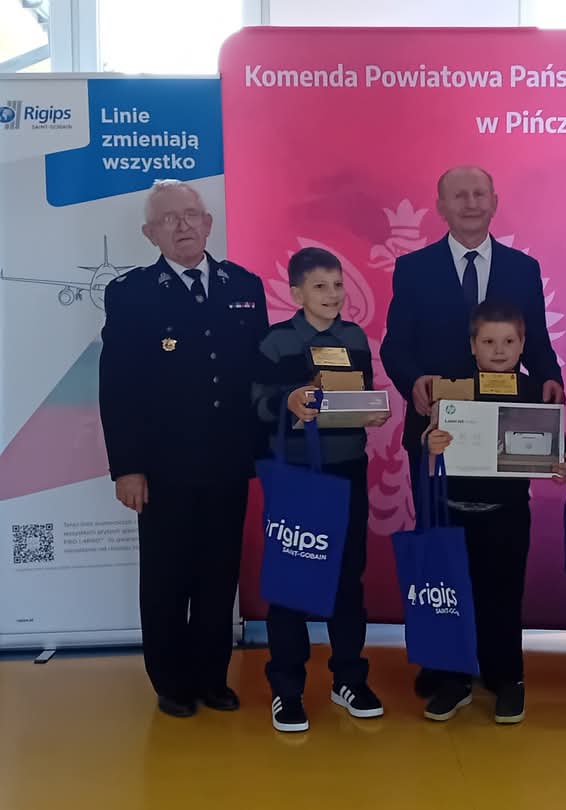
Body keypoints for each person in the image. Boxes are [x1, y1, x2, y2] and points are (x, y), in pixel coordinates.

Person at [381, 165, 564, 697]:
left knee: (498, 562)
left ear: (494, 201)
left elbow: (536, 342)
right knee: (444, 558)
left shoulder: (522, 268)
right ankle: (445, 664)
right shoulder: (413, 269)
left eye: (479, 193)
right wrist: (414, 380)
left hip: (503, 439)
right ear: (440, 206)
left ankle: (496, 663)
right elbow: (395, 345)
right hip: (438, 438)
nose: (470, 202)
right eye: (458, 195)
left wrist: (550, 377)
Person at [98, 179, 268, 718]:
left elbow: (260, 377)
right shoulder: (131, 294)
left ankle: (211, 677)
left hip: (227, 461)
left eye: (191, 215)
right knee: (167, 576)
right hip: (163, 467)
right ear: (150, 233)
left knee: (218, 574)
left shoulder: (245, 286)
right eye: (169, 219)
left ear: (208, 223)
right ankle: (170, 681)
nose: (183, 225)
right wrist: (127, 468)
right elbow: (118, 387)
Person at [251, 247, 389, 733]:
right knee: (290, 580)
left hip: (347, 469)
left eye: (338, 285)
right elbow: (256, 403)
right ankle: (287, 689)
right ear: (296, 294)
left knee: (348, 578)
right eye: (320, 286)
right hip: (295, 474)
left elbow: (360, 393)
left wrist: (371, 410)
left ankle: (348, 678)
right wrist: (287, 400)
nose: (333, 295)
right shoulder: (276, 341)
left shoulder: (354, 338)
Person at [421, 300, 566, 725]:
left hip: (507, 517)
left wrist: (565, 463)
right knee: (453, 600)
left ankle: (507, 680)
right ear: (473, 345)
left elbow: (558, 448)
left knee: (503, 600)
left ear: (523, 344)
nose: (499, 350)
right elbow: (425, 443)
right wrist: (429, 443)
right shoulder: (452, 390)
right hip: (453, 514)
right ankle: (454, 680)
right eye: (489, 342)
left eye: (508, 341)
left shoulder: (533, 392)